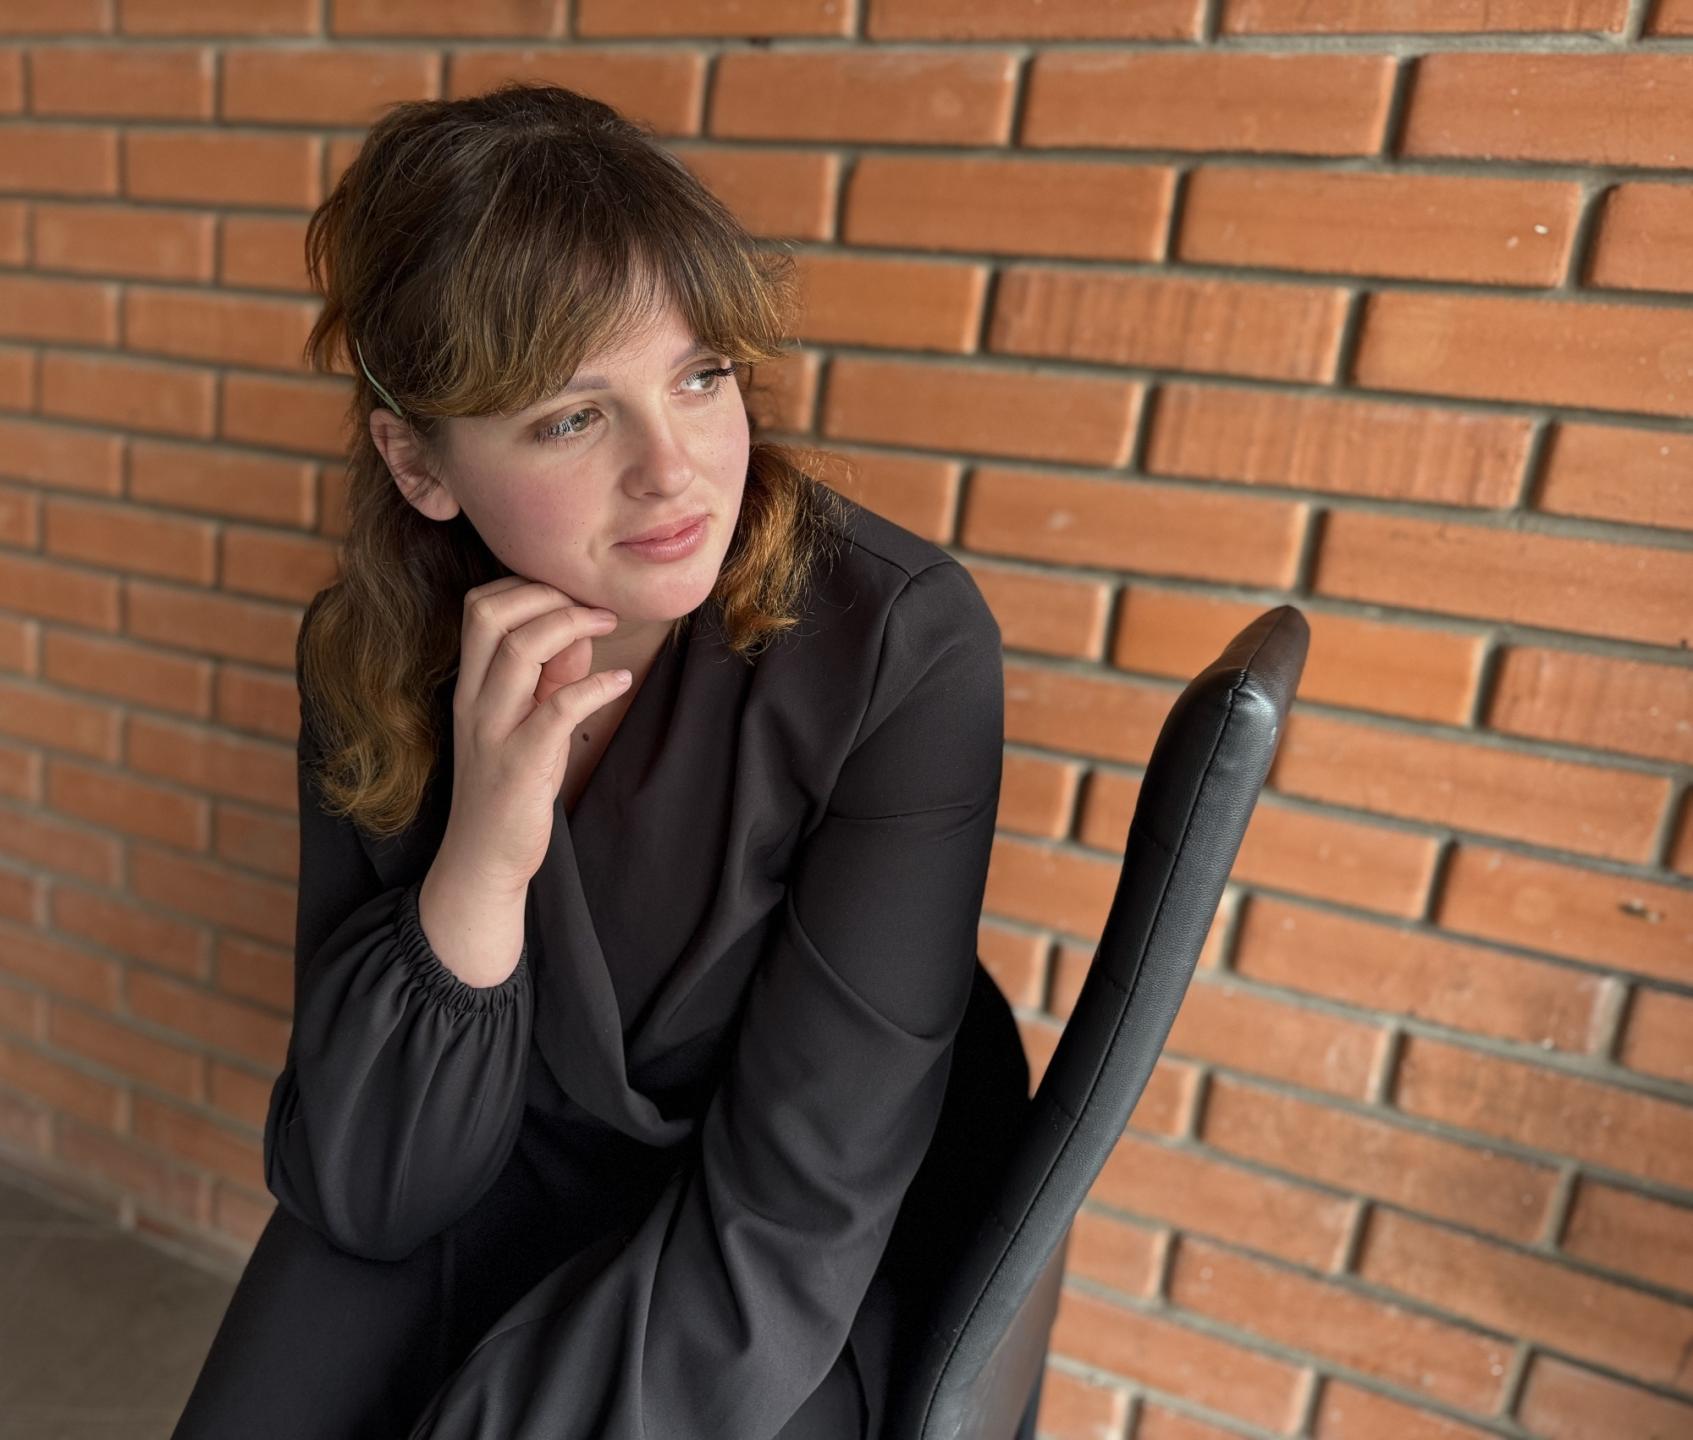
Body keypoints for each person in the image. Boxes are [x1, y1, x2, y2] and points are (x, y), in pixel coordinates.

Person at [171, 80, 1030, 1440]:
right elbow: (369, 1192)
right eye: (572, 416)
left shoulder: (895, 646)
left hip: (780, 1269)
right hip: (479, 1188)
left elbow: (797, 1212)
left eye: (700, 376)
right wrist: (481, 859)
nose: (675, 470)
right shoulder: (371, 659)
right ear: (419, 464)